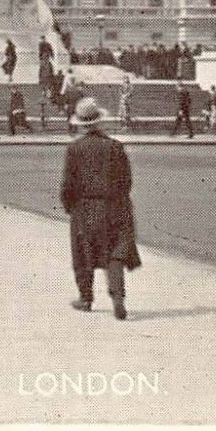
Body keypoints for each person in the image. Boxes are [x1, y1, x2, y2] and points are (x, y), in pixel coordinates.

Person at [61, 97, 141, 320]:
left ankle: (85, 298)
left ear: (81, 124)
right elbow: (126, 180)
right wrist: (120, 200)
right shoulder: (115, 146)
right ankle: (118, 297)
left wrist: (70, 206)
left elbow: (68, 184)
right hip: (114, 205)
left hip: (85, 207)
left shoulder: (74, 149)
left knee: (83, 252)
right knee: (114, 253)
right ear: (99, 122)